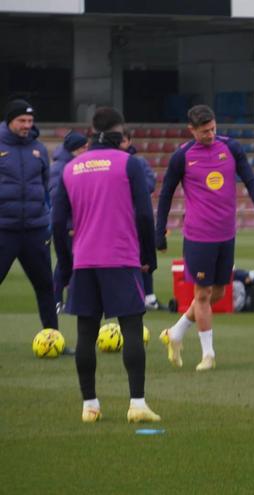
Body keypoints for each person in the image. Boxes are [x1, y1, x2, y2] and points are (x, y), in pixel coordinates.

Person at [52, 107, 160, 423]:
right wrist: (148, 257)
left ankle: (90, 406)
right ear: (118, 132)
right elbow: (144, 214)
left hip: (84, 260)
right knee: (132, 329)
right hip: (121, 257)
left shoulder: (71, 168)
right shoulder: (129, 163)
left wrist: (66, 264)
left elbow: (57, 222)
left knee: (85, 334)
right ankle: (137, 404)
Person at [155, 105, 254, 371]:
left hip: (226, 234)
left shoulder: (231, 148)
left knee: (219, 292)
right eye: (204, 131)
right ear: (192, 130)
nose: (210, 134)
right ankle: (208, 354)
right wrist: (159, 231)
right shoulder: (182, 156)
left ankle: (176, 332)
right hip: (198, 236)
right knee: (202, 294)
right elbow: (166, 195)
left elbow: (251, 180)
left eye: (212, 129)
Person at [0, 99, 58, 332]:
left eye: (30, 120)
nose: (27, 125)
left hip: (35, 230)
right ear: (9, 121)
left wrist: (46, 218)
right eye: (21, 120)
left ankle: (52, 338)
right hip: (4, 229)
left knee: (46, 286)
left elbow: (44, 186)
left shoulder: (39, 149)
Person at [120, 129, 165, 310]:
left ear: (130, 141)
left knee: (145, 254)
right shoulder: (111, 163)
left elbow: (149, 185)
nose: (120, 144)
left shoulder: (139, 162)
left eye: (123, 140)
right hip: (119, 218)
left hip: (137, 217)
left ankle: (149, 297)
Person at [49, 131, 89, 312]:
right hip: (69, 225)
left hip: (76, 223)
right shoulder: (62, 168)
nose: (87, 151)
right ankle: (59, 301)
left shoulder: (72, 165)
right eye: (83, 147)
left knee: (68, 262)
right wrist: (70, 224)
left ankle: (62, 300)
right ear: (75, 148)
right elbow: (58, 200)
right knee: (68, 263)